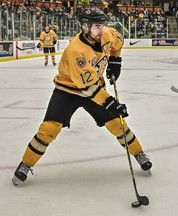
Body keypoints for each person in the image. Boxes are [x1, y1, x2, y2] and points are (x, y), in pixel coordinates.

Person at [12, 8, 152, 186]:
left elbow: (118, 42)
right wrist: (111, 103)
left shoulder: (107, 34)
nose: (102, 30)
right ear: (85, 27)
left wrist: (116, 61)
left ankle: (139, 153)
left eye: (103, 26)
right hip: (68, 91)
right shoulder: (76, 51)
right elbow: (88, 88)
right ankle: (25, 164)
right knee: (49, 130)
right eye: (97, 27)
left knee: (117, 124)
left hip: (94, 87)